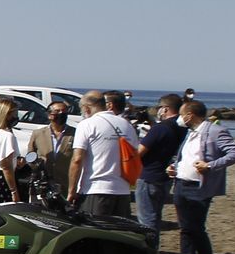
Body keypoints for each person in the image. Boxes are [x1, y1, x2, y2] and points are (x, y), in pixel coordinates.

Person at [169, 99, 235, 254]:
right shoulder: (189, 133)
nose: (179, 119)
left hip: (198, 188)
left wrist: (210, 166)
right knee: (185, 229)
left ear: (190, 115)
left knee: (197, 231)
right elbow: (186, 157)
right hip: (181, 184)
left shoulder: (215, 131)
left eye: (181, 115)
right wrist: (174, 167)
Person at [69, 89, 140, 218]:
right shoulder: (126, 125)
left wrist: (71, 191)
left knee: (94, 233)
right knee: (117, 234)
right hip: (122, 190)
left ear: (86, 108)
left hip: (95, 189)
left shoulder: (87, 124)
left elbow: (77, 160)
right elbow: (135, 153)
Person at [135, 93, 186, 231]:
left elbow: (139, 152)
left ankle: (149, 249)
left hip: (149, 175)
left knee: (146, 218)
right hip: (166, 175)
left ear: (165, 108)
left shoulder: (160, 128)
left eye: (159, 107)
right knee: (156, 215)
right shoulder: (182, 128)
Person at [25, 100, 75, 199]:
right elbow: (30, 155)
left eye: (64, 111)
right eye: (57, 111)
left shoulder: (75, 133)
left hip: (66, 184)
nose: (61, 114)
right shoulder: (38, 134)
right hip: (43, 184)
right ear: (49, 115)